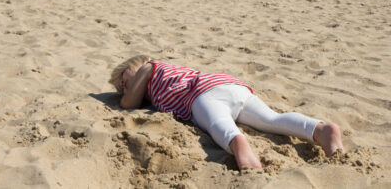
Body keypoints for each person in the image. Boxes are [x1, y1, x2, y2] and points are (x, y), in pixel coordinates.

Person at [109, 55, 344, 170]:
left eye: (123, 80)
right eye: (120, 87)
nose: (123, 88)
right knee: (271, 119)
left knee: (217, 123)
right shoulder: (161, 81)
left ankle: (238, 145)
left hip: (201, 94)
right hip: (231, 85)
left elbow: (128, 103)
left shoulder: (149, 67)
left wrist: (130, 89)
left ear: (135, 67)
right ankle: (320, 130)